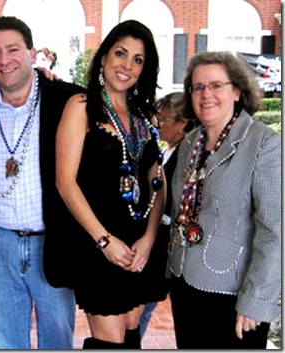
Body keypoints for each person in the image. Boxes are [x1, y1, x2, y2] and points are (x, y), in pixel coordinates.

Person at [0, 16, 85, 349]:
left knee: (57, 340)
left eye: (13, 49)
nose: (4, 60)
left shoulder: (65, 100)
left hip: (52, 244)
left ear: (31, 52)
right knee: (5, 342)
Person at [54, 19, 166, 349]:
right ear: (103, 57)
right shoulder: (81, 107)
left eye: (138, 59)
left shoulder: (145, 115)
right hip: (99, 243)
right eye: (120, 53)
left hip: (140, 245)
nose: (127, 65)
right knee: (110, 341)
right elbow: (65, 182)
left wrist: (149, 237)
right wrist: (104, 241)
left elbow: (158, 182)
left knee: (131, 333)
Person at [167, 51, 281, 349]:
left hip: (233, 296)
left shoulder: (265, 144)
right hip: (185, 283)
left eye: (216, 85)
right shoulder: (190, 143)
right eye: (198, 87)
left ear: (237, 91)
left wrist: (256, 300)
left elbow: (275, 233)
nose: (206, 95)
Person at [137, 92, 196, 339]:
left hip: (166, 248)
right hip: (159, 245)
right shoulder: (173, 150)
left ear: (182, 123)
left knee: (141, 311)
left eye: (163, 121)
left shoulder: (186, 153)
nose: (157, 126)